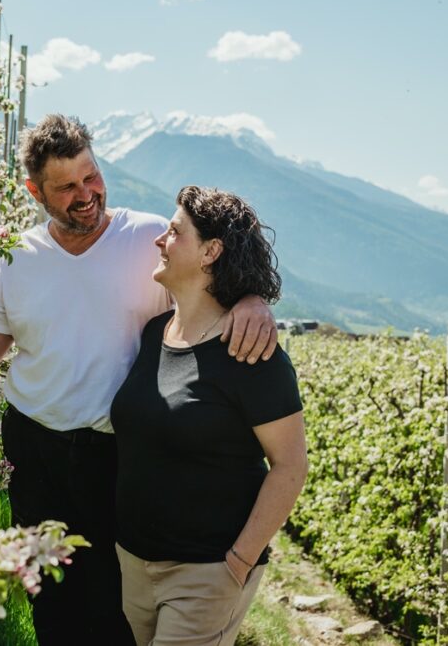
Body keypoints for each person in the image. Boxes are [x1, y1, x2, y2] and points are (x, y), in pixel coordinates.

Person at [0, 115, 279, 645]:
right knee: (50, 599)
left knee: (117, 604)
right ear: (34, 191)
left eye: (91, 176)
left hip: (122, 453)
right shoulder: (14, 257)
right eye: (66, 187)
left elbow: (209, 279)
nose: (86, 194)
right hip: (34, 446)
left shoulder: (147, 239)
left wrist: (253, 300)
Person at [110, 185, 308, 646]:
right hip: (133, 564)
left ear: (210, 252)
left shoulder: (251, 353)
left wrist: (237, 564)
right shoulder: (155, 332)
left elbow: (290, 465)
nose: (160, 240)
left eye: (175, 232)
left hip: (204, 575)